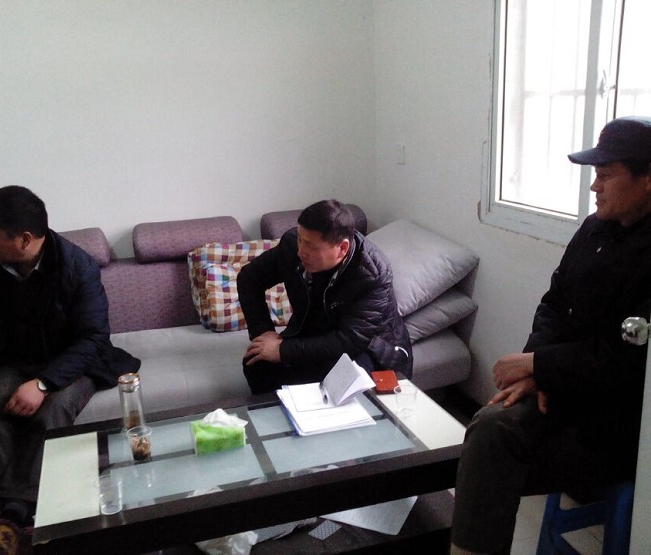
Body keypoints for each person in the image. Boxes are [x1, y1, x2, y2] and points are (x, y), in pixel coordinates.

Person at [450, 116, 651, 554]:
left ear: (647, 178)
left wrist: (540, 365)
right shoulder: (595, 228)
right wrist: (536, 371)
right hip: (562, 392)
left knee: (489, 452)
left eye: (605, 176)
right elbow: (554, 303)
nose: (594, 187)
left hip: (616, 425)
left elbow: (627, 360)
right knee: (490, 426)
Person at [0, 186, 140, 555]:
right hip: (13, 359)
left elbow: (93, 337)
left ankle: (19, 518)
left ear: (24, 239)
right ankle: (16, 517)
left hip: (70, 362)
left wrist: (44, 383)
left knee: (52, 410)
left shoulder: (78, 267)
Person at [237, 199, 412, 394]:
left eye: (311, 246)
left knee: (340, 378)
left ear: (342, 248)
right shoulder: (291, 247)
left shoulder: (371, 273)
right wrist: (263, 332)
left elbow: (350, 339)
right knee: (257, 363)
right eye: (300, 239)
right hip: (316, 330)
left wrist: (282, 351)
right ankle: (279, 411)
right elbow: (248, 278)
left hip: (368, 346)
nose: (301, 252)